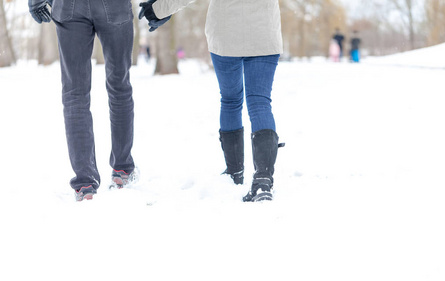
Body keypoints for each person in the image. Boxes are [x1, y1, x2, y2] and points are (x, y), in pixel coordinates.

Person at [139, 0, 284, 202]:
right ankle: (263, 180)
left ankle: (234, 174)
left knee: (231, 101)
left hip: (226, 33)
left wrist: (158, 9)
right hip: (264, 31)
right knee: (260, 102)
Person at [28, 0, 136, 201]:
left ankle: (85, 182)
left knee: (75, 94)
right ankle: (122, 170)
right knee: (119, 87)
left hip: (69, 6)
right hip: (114, 6)